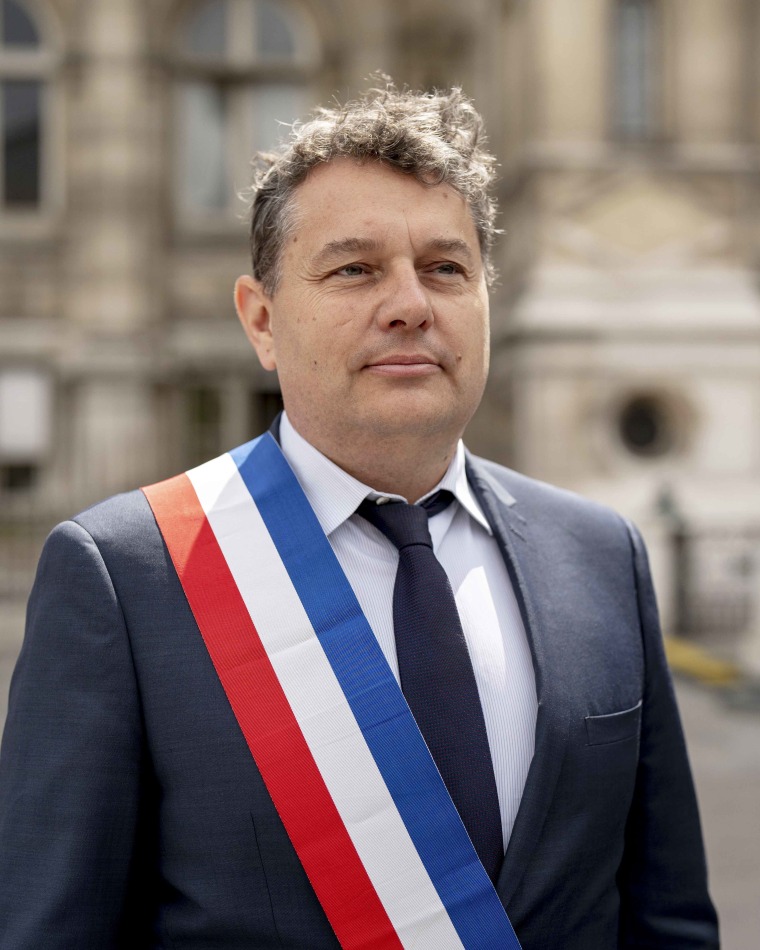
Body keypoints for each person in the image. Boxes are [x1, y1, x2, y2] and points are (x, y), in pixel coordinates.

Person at [0, 82, 718, 949]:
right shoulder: (127, 576)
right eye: (355, 269)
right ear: (262, 321)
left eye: (446, 268)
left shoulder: (600, 555)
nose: (412, 303)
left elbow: (666, 918)